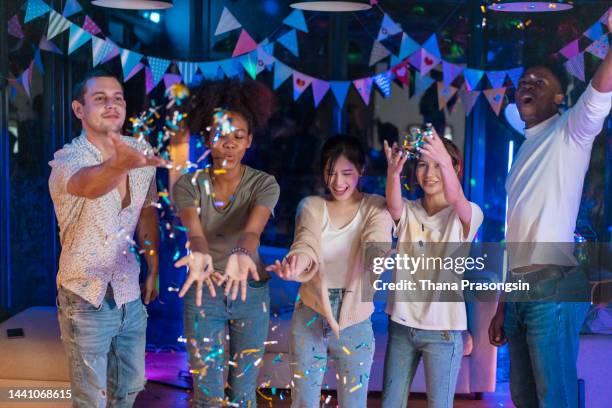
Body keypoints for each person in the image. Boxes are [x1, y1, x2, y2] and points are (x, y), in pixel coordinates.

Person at [488, 12, 612, 408]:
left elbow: (598, 93)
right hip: (521, 289)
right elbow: (517, 234)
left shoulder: (570, 132)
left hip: (554, 283)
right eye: (524, 80)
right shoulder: (525, 148)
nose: (527, 84)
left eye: (539, 82)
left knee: (553, 397)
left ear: (560, 98)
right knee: (523, 397)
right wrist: (502, 305)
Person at [48, 69, 163, 407]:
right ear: (78, 109)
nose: (112, 105)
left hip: (129, 291)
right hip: (85, 295)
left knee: (128, 392)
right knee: (91, 400)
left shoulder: (140, 151)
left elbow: (147, 210)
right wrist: (120, 164)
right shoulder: (68, 160)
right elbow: (90, 184)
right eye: (100, 99)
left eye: (118, 98)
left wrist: (153, 266)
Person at [172, 79, 279, 407]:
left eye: (238, 136)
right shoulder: (189, 184)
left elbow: (252, 231)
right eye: (220, 135)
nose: (229, 144)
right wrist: (201, 251)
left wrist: (242, 252)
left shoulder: (264, 183)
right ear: (206, 137)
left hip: (251, 292)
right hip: (204, 291)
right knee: (207, 393)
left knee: (243, 393)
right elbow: (195, 232)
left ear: (249, 141)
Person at [267, 135, 393, 407]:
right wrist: (294, 264)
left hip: (356, 321)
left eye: (347, 173)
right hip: (310, 315)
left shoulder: (375, 207)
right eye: (331, 172)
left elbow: (376, 239)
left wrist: (378, 258)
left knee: (354, 403)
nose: (338, 182)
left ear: (361, 170)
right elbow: (305, 243)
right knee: (304, 402)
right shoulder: (311, 206)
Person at [381, 130, 483, 408]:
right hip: (401, 326)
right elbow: (392, 206)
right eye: (423, 164)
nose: (429, 173)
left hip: (443, 332)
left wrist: (443, 159)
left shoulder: (467, 213)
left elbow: (458, 198)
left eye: (438, 165)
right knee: (390, 403)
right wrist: (392, 173)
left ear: (454, 169)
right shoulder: (410, 210)